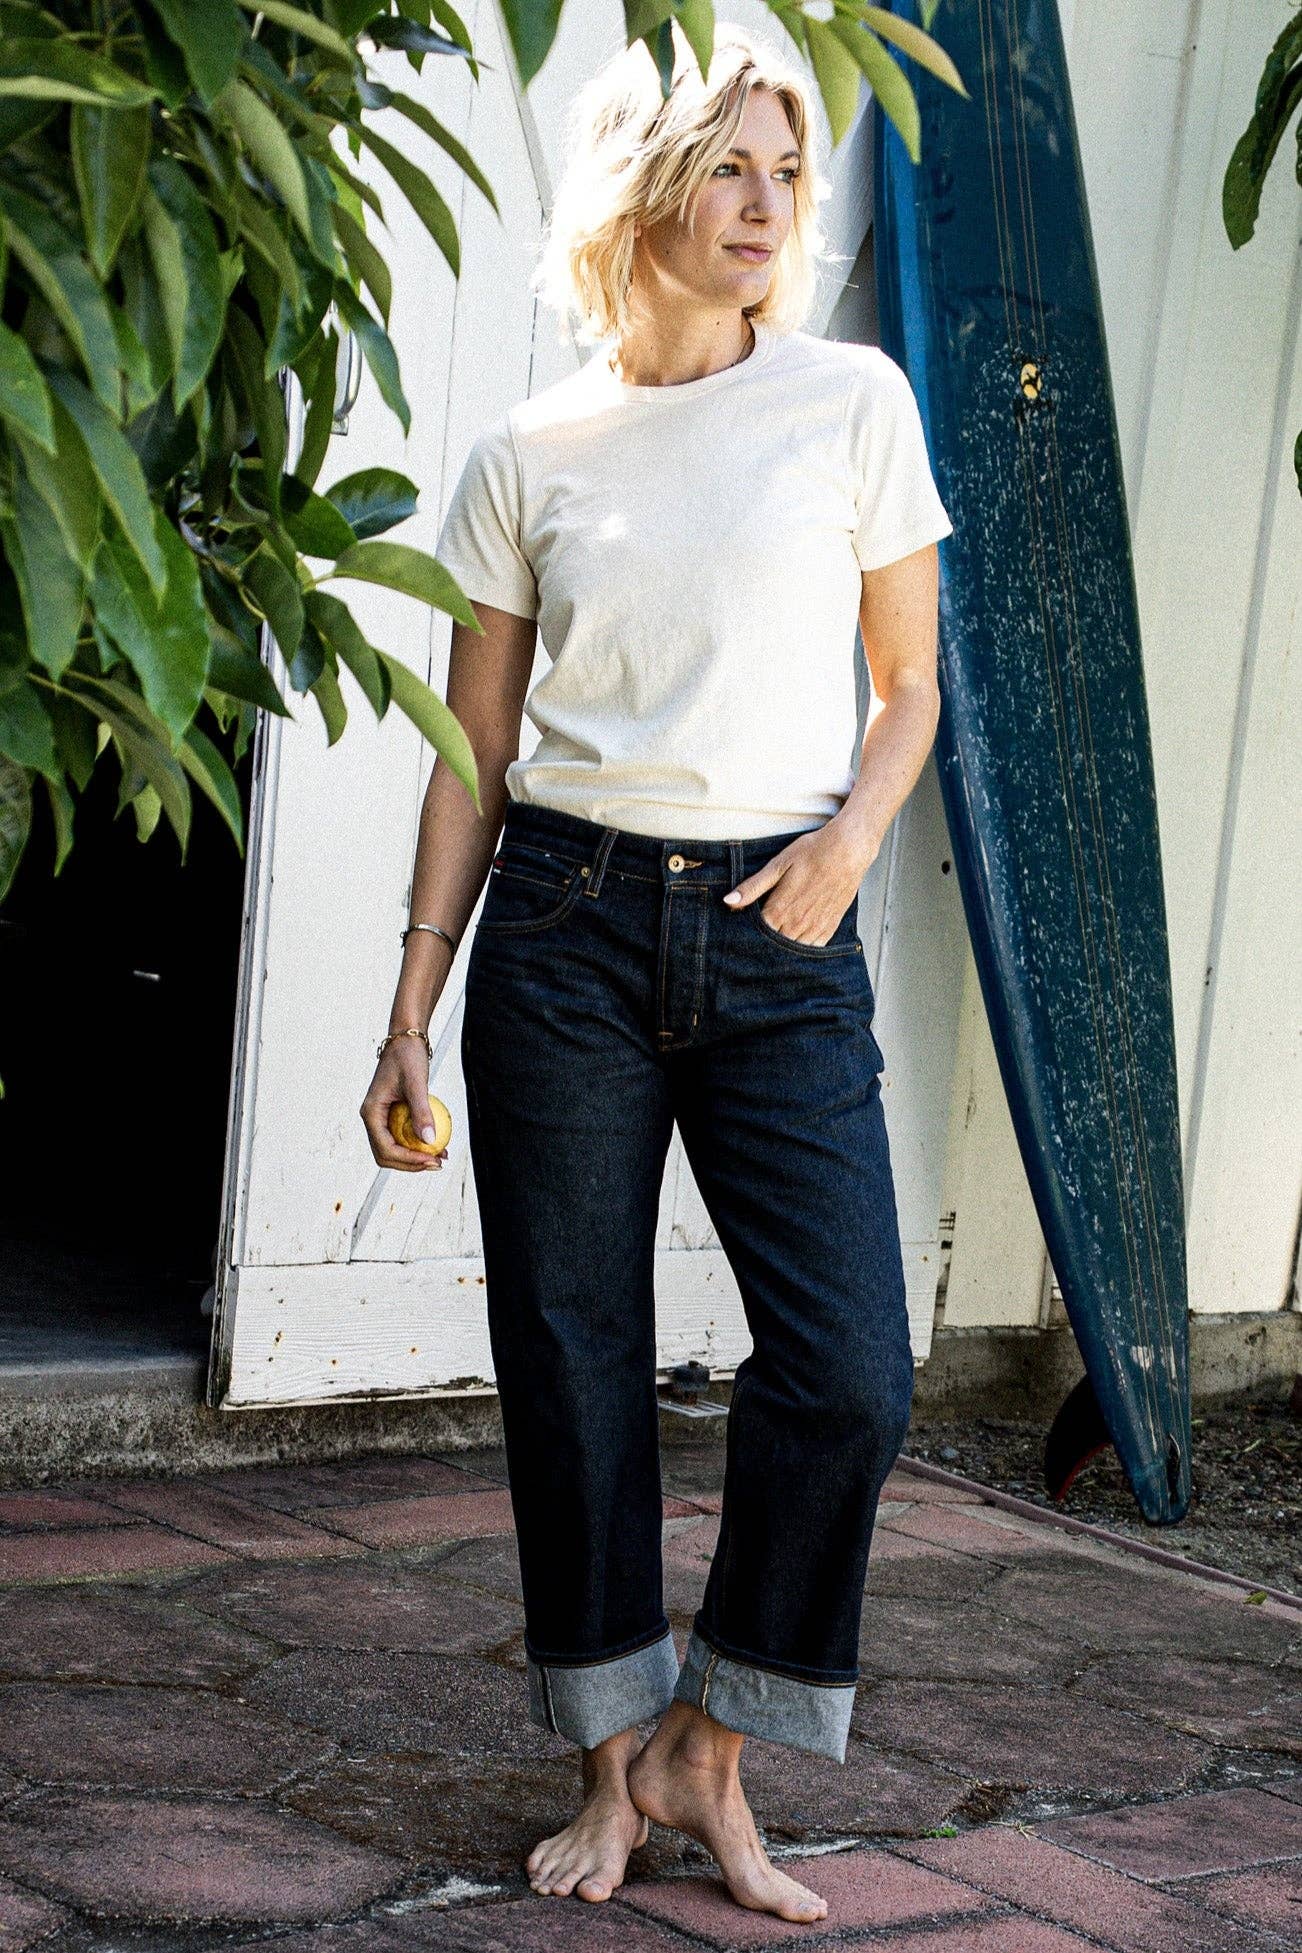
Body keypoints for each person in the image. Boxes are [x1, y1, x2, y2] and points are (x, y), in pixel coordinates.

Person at [360, 20, 953, 1929]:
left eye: (788, 171)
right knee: (573, 1356)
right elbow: (473, 749)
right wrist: (408, 1001)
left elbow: (907, 684)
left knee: (849, 1367)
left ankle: (717, 1738)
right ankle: (610, 1764)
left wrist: (846, 847)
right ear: (644, 190)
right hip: (563, 927)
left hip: (781, 923)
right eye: (730, 169)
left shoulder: (849, 402)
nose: (770, 206)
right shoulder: (529, 451)